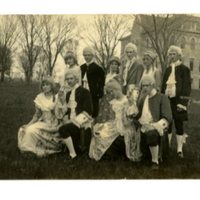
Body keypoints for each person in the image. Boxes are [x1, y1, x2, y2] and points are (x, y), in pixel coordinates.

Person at [89, 79, 141, 162]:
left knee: (109, 135)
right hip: (115, 124)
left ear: (116, 90)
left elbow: (132, 114)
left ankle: (112, 153)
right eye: (109, 93)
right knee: (100, 132)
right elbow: (112, 117)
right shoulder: (113, 102)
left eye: (111, 92)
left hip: (126, 125)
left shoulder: (127, 99)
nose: (110, 95)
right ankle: (105, 154)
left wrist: (131, 105)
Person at [18, 77, 62, 157]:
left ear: (51, 86)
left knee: (33, 130)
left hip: (55, 123)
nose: (44, 87)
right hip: (44, 122)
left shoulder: (57, 97)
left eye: (47, 85)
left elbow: (61, 114)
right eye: (43, 85)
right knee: (27, 129)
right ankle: (28, 150)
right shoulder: (39, 97)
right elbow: (37, 115)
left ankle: (46, 148)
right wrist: (29, 124)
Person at [161, 45, 191, 158]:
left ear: (179, 55)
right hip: (168, 101)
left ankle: (179, 149)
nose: (172, 56)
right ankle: (167, 147)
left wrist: (182, 103)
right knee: (167, 124)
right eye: (170, 54)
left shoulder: (184, 69)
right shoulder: (168, 69)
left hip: (178, 101)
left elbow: (186, 88)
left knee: (179, 124)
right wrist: (163, 101)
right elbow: (163, 85)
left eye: (174, 54)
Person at [137, 75, 172, 169]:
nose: (144, 88)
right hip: (142, 125)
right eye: (143, 86)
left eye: (147, 85)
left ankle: (155, 161)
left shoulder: (162, 97)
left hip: (156, 127)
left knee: (151, 134)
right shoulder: (142, 98)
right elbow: (139, 115)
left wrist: (154, 126)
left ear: (153, 85)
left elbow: (167, 118)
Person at [58, 69, 93, 158]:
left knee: (63, 129)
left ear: (77, 79)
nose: (69, 81)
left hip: (82, 122)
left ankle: (72, 154)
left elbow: (88, 111)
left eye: (71, 79)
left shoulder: (85, 92)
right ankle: (73, 151)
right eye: (67, 79)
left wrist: (72, 121)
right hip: (72, 122)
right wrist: (62, 101)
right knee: (62, 128)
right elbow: (68, 111)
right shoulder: (68, 94)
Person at [80, 47, 105, 118]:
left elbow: (102, 83)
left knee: (93, 111)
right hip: (83, 92)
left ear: (92, 56)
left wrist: (99, 93)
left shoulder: (98, 68)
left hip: (93, 94)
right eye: (85, 55)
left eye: (89, 55)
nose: (87, 57)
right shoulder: (82, 68)